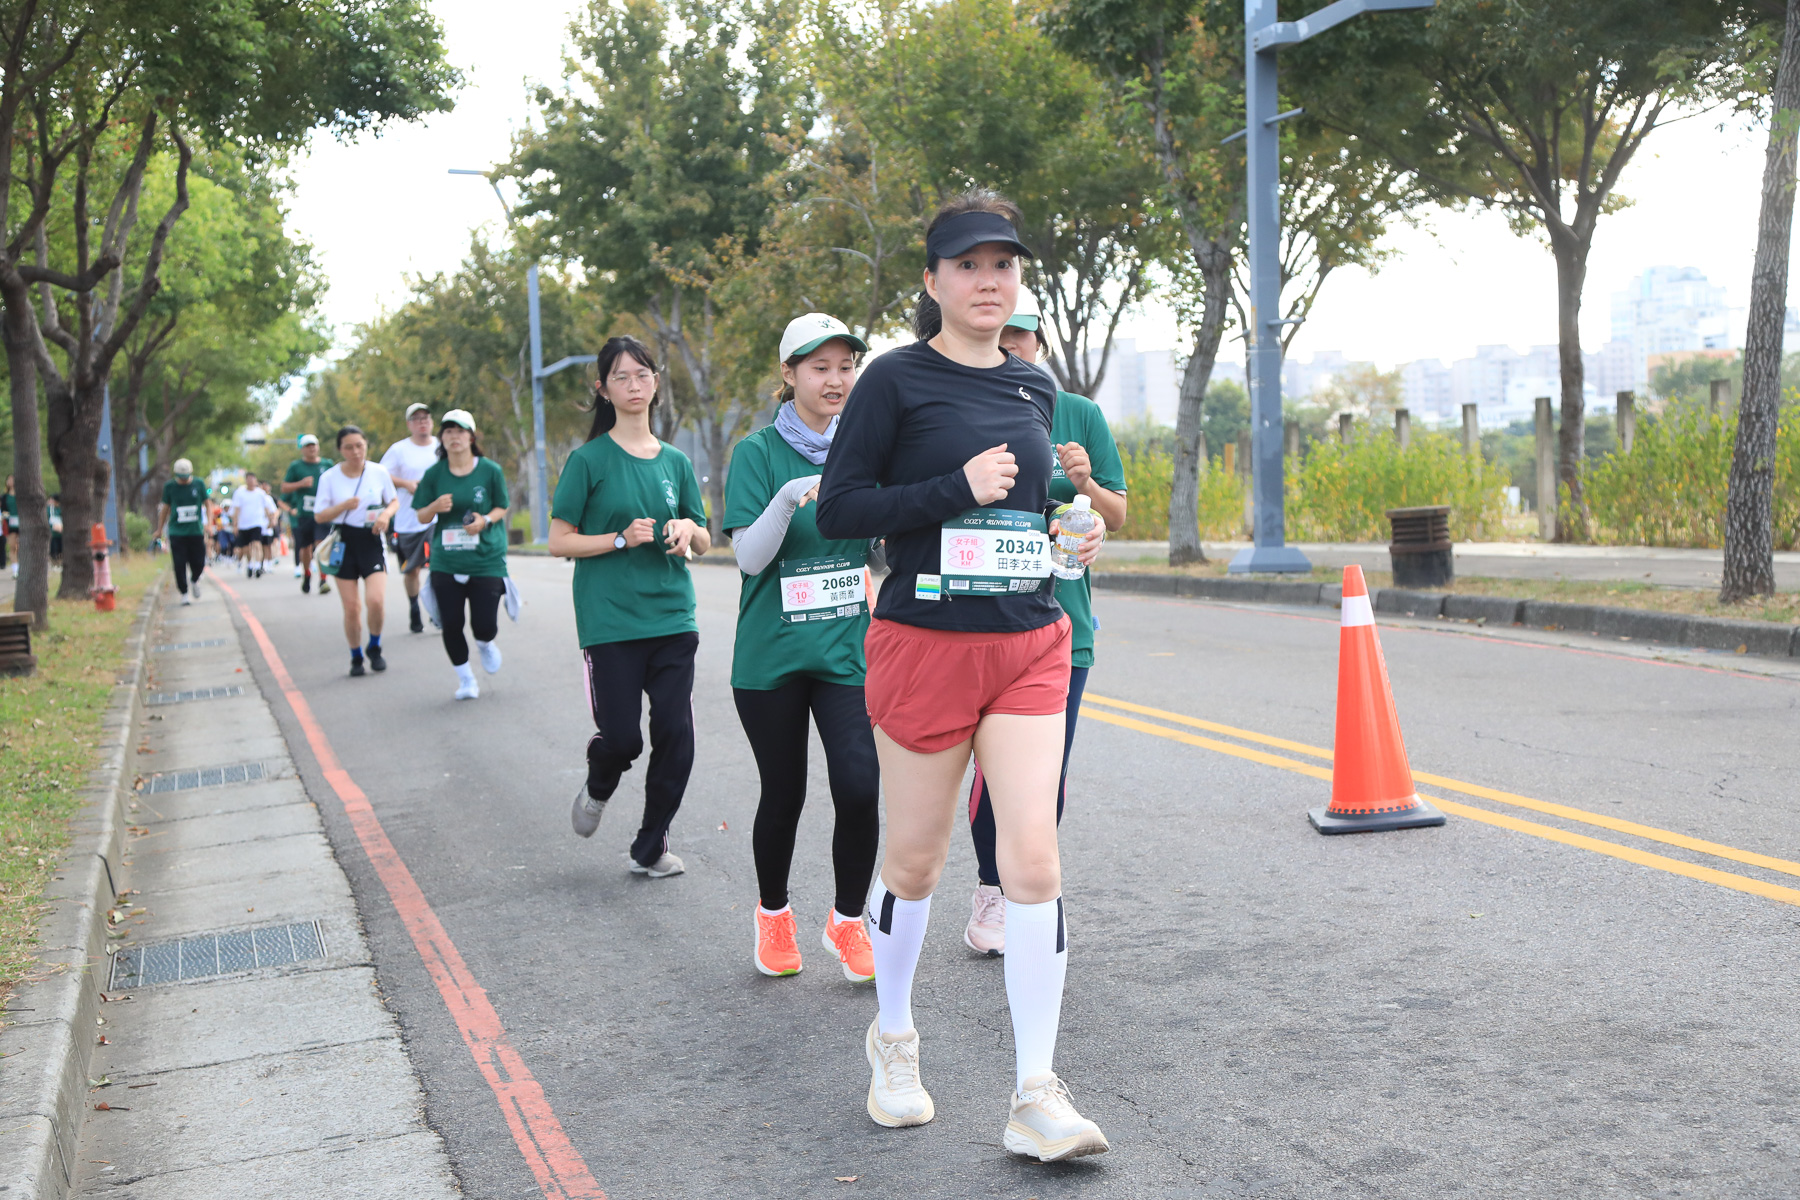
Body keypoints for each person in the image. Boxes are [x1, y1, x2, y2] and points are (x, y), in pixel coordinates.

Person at [815, 190, 1107, 1160]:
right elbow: (841, 510)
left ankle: (1036, 1092)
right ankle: (894, 1039)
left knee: (1033, 861)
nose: (989, 281)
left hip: (1029, 639)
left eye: (1004, 265)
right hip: (926, 644)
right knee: (915, 864)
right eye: (969, 265)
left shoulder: (1035, 388)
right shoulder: (893, 380)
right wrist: (953, 488)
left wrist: (1072, 532)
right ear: (933, 280)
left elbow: (1028, 511)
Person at [963, 292, 1127, 957]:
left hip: (1065, 622)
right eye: (1003, 333)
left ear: (1039, 341)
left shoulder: (1079, 413)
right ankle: (991, 889)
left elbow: (1115, 514)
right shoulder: (965, 402)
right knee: (990, 774)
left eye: (1022, 334)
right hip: (982, 619)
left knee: (1045, 774)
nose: (1012, 344)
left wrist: (1084, 485)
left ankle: (1027, 894)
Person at [723, 313, 879, 983]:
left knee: (860, 786)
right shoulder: (757, 454)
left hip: (846, 651)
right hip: (772, 659)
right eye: (820, 368)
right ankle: (773, 915)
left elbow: (881, 547)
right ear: (788, 375)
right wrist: (787, 498)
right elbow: (749, 559)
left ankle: (848, 922)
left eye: (846, 367)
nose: (835, 380)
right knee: (784, 792)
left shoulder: (866, 448)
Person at [549, 335, 710, 880]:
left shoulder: (676, 461)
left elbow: (704, 536)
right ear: (604, 389)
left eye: (642, 375)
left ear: (656, 383)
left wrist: (687, 529)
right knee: (622, 739)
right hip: (611, 622)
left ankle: (651, 845)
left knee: (676, 736)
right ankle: (600, 784)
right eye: (621, 377)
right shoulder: (588, 461)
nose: (634, 385)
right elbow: (559, 541)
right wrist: (619, 539)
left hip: (672, 617)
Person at [412, 410, 510, 700]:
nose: (454, 436)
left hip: (485, 557)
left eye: (460, 431)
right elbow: (420, 515)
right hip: (447, 559)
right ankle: (466, 679)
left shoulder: (490, 470)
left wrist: (485, 520)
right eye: (448, 431)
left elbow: (502, 506)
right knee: (451, 623)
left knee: (484, 625)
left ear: (471, 437)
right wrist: (434, 507)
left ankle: (485, 643)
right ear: (441, 438)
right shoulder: (434, 474)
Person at [314, 426, 400, 677]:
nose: (355, 451)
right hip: (344, 543)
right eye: (349, 447)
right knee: (352, 608)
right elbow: (319, 515)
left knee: (376, 600)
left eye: (359, 446)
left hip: (371, 540)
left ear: (366, 445)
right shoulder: (329, 478)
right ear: (340, 450)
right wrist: (343, 506)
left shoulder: (378, 472)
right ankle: (355, 656)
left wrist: (385, 515)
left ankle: (374, 646)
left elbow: (393, 500)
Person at [380, 403, 440, 634]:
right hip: (408, 520)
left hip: (437, 519)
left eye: (425, 418)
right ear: (409, 424)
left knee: (440, 567)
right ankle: (414, 607)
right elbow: (381, 475)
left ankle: (437, 609)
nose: (422, 422)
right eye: (416, 419)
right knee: (412, 570)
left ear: (431, 422)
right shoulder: (399, 450)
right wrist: (406, 484)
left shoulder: (440, 446)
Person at [281, 434, 332, 594]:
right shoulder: (296, 466)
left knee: (321, 544)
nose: (311, 448)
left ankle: (323, 579)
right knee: (306, 548)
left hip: (323, 513)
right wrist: (301, 484)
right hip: (305, 514)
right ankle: (307, 574)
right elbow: (284, 488)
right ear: (302, 449)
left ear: (318, 446)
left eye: (314, 445)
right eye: (308, 446)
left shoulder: (327, 464)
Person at [158, 458, 212, 606]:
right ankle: (184, 593)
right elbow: (165, 508)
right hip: (177, 532)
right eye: (181, 477)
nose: (184, 479)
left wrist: (209, 524)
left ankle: (194, 580)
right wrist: (159, 529)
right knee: (179, 563)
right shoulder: (170, 487)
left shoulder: (199, 484)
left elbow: (208, 504)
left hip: (195, 531)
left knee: (199, 562)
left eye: (186, 476)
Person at [229, 474, 277, 577]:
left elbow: (266, 508)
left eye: (253, 480)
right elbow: (236, 509)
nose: (251, 482)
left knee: (257, 543)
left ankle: (258, 566)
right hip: (244, 524)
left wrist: (271, 520)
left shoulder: (260, 493)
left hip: (257, 523)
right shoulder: (240, 493)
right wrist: (235, 525)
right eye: (249, 480)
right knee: (246, 548)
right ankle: (250, 565)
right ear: (246, 481)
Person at [2, 475, 15, 578]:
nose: (10, 481)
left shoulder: (23, 496)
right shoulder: (5, 497)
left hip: (23, 525)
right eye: (9, 479)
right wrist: (8, 517)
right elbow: (4, 512)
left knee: (21, 547)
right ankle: (16, 570)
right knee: (12, 547)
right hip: (11, 524)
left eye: (12, 479)